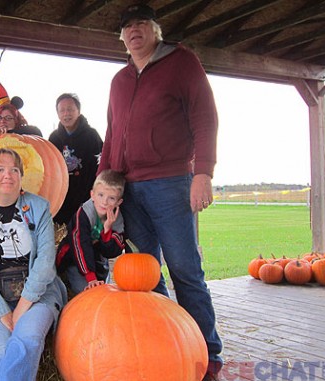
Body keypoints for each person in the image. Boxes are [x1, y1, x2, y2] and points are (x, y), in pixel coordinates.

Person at [97, 4, 223, 380]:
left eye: (140, 24)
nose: (133, 31)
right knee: (145, 272)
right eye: (127, 27)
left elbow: (206, 118)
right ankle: (168, 344)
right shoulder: (119, 80)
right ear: (121, 38)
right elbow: (111, 132)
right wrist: (105, 181)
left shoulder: (183, 63)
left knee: (185, 269)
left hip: (171, 182)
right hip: (129, 188)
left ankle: (206, 352)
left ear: (155, 30)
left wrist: (203, 173)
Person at [0, 148, 67, 381]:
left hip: (36, 298)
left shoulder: (39, 208)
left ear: (21, 176)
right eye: (0, 169)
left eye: (14, 170)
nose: (7, 175)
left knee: (27, 341)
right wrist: (1, 312)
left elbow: (46, 261)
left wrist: (21, 308)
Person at [56, 170, 129, 295]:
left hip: (98, 258)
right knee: (86, 291)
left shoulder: (117, 219)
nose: (104, 202)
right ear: (92, 195)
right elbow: (80, 244)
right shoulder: (84, 213)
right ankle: (64, 278)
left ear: (119, 202)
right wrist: (90, 277)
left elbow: (113, 252)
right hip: (74, 257)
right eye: (101, 195)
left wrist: (107, 230)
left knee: (103, 292)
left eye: (111, 198)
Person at [49, 93, 103, 224]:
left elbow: (100, 166)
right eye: (62, 110)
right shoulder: (54, 138)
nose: (66, 114)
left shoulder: (92, 136)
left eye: (70, 109)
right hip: (62, 197)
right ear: (57, 113)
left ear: (78, 111)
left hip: (86, 196)